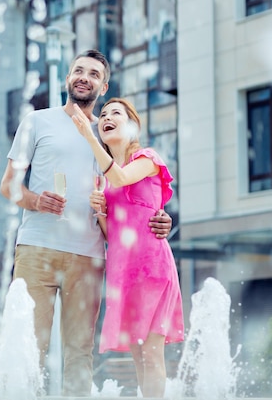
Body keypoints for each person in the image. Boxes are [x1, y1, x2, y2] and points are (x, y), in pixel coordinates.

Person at [0, 49, 173, 397]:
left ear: (103, 85)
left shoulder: (108, 136)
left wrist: (159, 216)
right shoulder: (37, 121)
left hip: (90, 257)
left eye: (94, 74)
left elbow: (129, 188)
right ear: (67, 78)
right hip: (37, 249)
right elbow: (8, 186)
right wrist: (35, 200)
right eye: (79, 71)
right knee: (28, 348)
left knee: (80, 351)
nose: (84, 77)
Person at [71, 97, 184, 398]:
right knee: (138, 358)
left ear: (132, 125)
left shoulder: (147, 159)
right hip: (123, 273)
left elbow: (121, 176)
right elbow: (113, 236)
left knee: (151, 353)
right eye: (103, 114)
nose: (106, 117)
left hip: (151, 268)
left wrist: (88, 137)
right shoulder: (105, 183)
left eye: (115, 113)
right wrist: (101, 213)